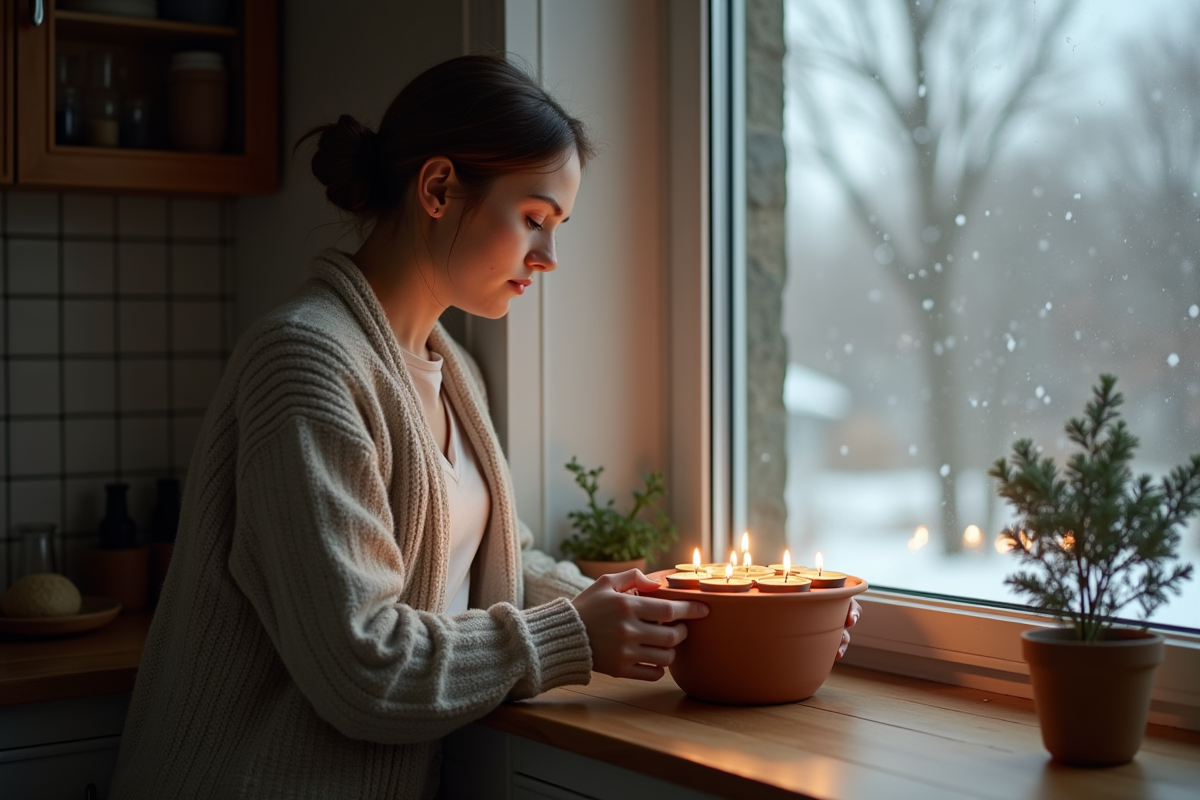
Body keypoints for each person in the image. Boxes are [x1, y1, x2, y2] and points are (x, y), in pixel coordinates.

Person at [110, 55, 860, 799]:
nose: (551, 257)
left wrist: (660, 605)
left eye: (558, 226)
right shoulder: (306, 363)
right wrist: (572, 635)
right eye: (535, 218)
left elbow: (494, 566)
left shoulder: (451, 368)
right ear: (438, 188)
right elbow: (362, 664)